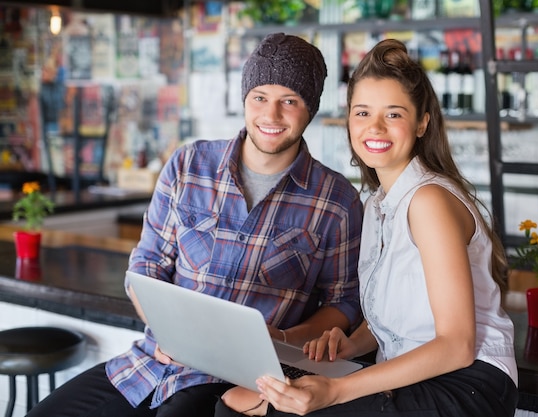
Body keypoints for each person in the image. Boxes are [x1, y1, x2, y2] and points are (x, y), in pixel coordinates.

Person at [27, 33, 363, 417]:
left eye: (289, 101)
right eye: (260, 98)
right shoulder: (189, 165)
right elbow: (147, 264)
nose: (271, 116)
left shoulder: (337, 201)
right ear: (245, 100)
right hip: (154, 362)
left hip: (238, 381)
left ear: (310, 109)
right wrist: (167, 331)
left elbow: (344, 302)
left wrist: (284, 339)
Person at [215, 38, 519, 417]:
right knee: (239, 398)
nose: (374, 127)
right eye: (362, 113)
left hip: (466, 383)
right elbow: (399, 322)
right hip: (411, 374)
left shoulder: (429, 201)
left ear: (422, 122)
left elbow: (456, 344)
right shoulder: (376, 205)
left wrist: (337, 390)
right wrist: (350, 344)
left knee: (257, 407)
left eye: (393, 114)